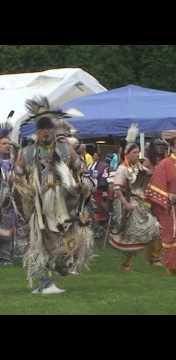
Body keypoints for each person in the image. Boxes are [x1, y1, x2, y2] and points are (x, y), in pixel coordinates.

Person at [15, 97, 94, 294]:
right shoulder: (27, 152)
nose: (45, 133)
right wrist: (28, 189)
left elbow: (80, 169)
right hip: (40, 206)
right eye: (42, 130)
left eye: (49, 129)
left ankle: (59, 268)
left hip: (64, 204)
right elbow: (16, 176)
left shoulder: (65, 148)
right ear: (37, 132)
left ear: (53, 130)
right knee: (40, 244)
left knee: (69, 243)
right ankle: (43, 283)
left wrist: (81, 182)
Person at [109, 124, 160, 272]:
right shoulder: (122, 169)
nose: (137, 155)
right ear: (128, 154)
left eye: (138, 152)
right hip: (128, 204)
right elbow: (117, 189)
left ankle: (153, 258)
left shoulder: (138, 167)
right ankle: (127, 263)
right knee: (133, 235)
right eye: (135, 152)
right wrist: (126, 205)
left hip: (141, 204)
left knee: (154, 228)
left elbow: (150, 173)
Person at [145, 135, 176, 275]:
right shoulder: (165, 164)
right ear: (174, 148)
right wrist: (168, 197)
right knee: (173, 234)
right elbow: (155, 186)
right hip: (170, 207)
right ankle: (172, 266)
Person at [0, 121, 17, 265]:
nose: (8, 146)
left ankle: (6, 258)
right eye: (4, 144)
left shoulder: (14, 163)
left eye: (9, 144)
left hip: (9, 202)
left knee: (6, 229)